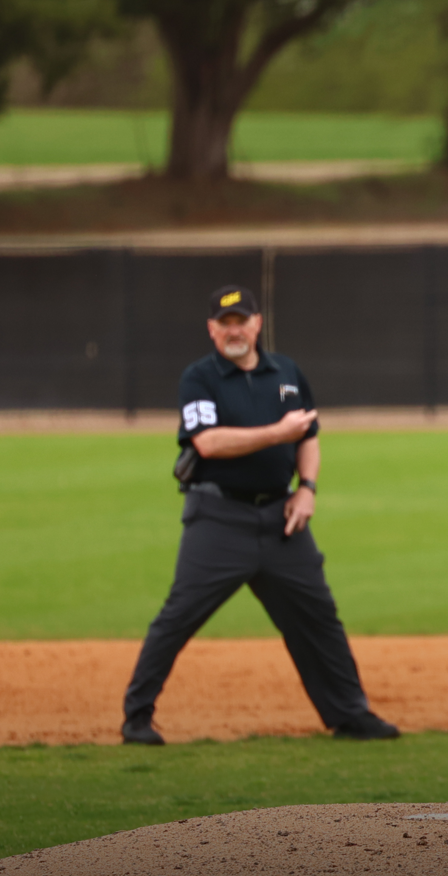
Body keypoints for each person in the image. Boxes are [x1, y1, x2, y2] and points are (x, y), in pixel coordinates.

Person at [120, 285, 399, 745]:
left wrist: (306, 489)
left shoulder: (286, 373)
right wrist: (276, 433)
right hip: (218, 518)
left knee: (318, 617)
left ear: (257, 324)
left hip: (280, 519)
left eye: (241, 321)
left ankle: (351, 715)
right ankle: (137, 717)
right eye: (224, 323)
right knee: (179, 617)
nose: (234, 330)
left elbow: (308, 437)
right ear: (212, 329)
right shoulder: (199, 378)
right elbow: (207, 443)